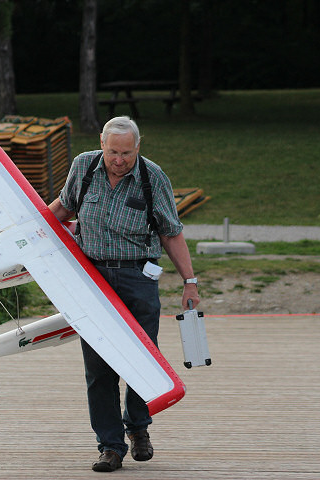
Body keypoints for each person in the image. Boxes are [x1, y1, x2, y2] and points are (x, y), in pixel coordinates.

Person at [48, 116, 200, 472]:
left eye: (127, 153)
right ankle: (110, 446)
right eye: (113, 151)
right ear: (102, 144)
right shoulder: (83, 166)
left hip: (138, 276)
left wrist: (189, 282)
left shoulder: (153, 177)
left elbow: (171, 233)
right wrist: (27, 232)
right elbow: (64, 208)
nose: (119, 159)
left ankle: (139, 430)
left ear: (138, 146)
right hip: (91, 278)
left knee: (142, 358)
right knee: (99, 367)